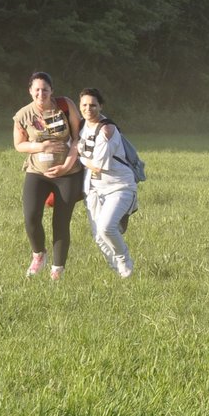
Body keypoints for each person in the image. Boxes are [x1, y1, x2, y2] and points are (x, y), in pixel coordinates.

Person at [12, 71, 84, 280]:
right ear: (30, 91)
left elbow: (79, 138)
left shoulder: (64, 105)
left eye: (45, 89)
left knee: (61, 222)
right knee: (31, 217)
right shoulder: (23, 115)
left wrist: (66, 166)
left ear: (52, 90)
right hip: (37, 172)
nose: (41, 93)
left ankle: (57, 270)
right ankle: (38, 255)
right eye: (37, 90)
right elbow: (19, 145)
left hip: (68, 173)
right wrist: (40, 146)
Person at [76, 88, 137, 278]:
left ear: (100, 106)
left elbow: (97, 166)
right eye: (84, 105)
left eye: (93, 105)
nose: (88, 109)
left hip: (119, 186)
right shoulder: (81, 126)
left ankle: (124, 260)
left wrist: (78, 157)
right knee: (98, 237)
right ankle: (119, 274)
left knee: (106, 227)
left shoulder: (107, 129)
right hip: (94, 189)